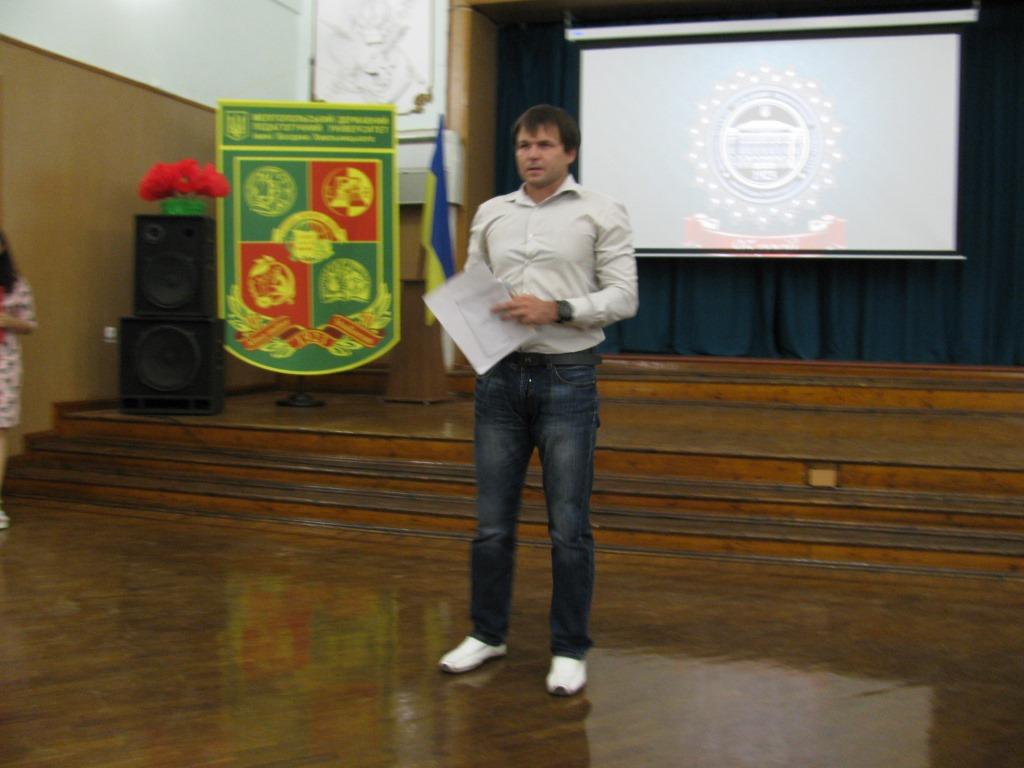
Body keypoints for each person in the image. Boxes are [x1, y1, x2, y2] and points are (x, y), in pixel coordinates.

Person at [438, 105, 638, 696]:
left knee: (568, 528)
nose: (532, 154)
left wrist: (558, 309)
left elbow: (624, 296)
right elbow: (475, 282)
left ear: (569, 153)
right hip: (500, 381)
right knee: (491, 526)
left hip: (567, 379)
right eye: (525, 144)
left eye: (545, 145)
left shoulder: (601, 211)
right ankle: (487, 633)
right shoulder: (491, 212)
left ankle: (569, 648)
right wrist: (470, 315)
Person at [0, 231, 38, 530]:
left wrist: (8, 320)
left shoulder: (16, 284)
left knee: (0, 431)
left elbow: (30, 324)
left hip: (5, 363)